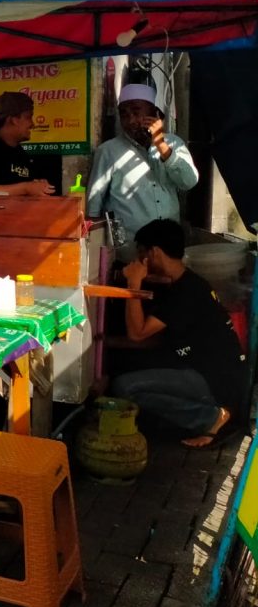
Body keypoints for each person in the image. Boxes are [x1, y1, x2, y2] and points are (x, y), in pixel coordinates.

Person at [110, 219, 248, 449]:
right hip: (211, 371)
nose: (136, 260)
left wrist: (134, 283)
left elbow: (137, 334)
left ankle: (209, 417)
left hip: (214, 380)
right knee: (131, 366)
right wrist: (106, 342)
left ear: (154, 252)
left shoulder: (186, 292)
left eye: (140, 253)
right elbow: (151, 339)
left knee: (124, 387)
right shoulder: (185, 283)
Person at [87, 83, 199, 243]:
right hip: (128, 247)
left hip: (167, 246)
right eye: (124, 115)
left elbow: (189, 181)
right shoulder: (108, 151)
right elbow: (94, 202)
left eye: (136, 112)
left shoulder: (174, 144)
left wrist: (161, 145)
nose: (131, 120)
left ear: (154, 113)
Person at [0, 91, 56, 195]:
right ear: (13, 120)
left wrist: (38, 186)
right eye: (28, 117)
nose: (32, 124)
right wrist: (26, 188)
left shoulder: (21, 154)